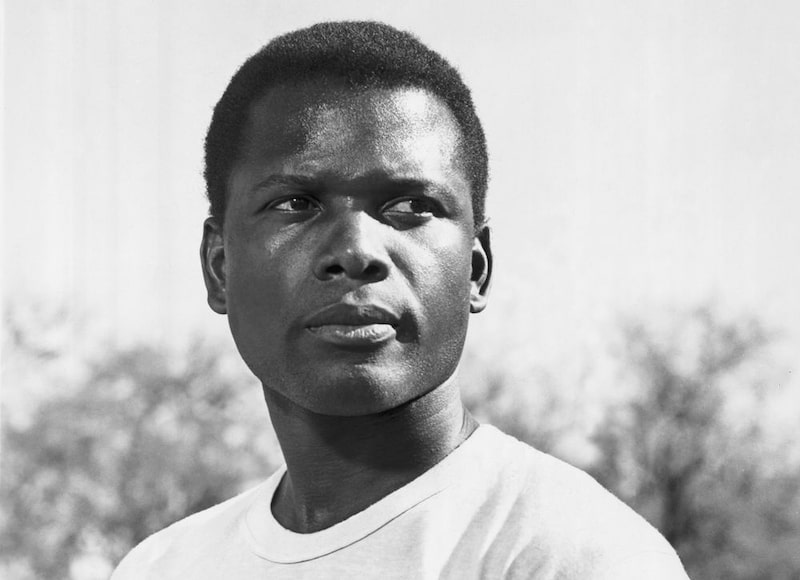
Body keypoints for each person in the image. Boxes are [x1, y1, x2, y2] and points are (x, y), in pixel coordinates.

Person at [112, 21, 689, 579]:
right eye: (296, 204)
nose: (356, 252)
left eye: (411, 206)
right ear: (220, 268)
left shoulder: (577, 557)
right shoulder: (161, 567)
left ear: (476, 270)